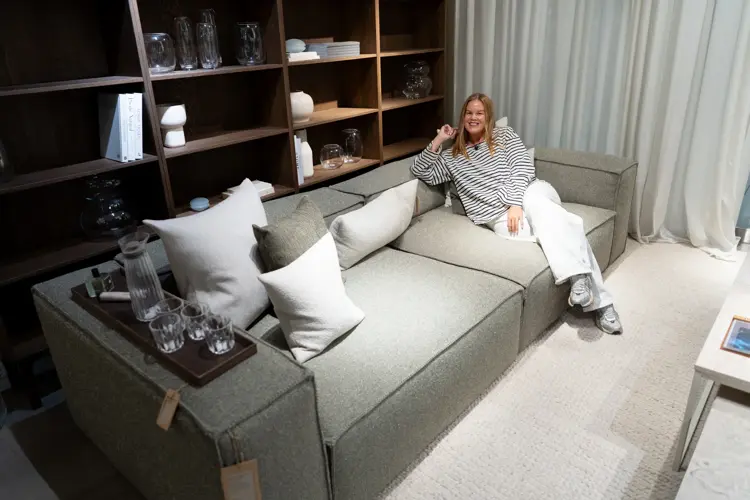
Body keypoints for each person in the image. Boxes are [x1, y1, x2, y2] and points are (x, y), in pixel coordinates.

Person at [411, 93, 622, 334]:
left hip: (530, 192)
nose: (473, 117)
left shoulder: (504, 136)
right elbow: (421, 170)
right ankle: (588, 287)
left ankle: (594, 295)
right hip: (495, 216)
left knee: (540, 207)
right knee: (562, 227)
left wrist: (514, 204)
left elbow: (522, 168)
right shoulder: (452, 157)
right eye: (469, 113)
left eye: (479, 113)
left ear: (488, 117)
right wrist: (439, 139)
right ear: (462, 117)